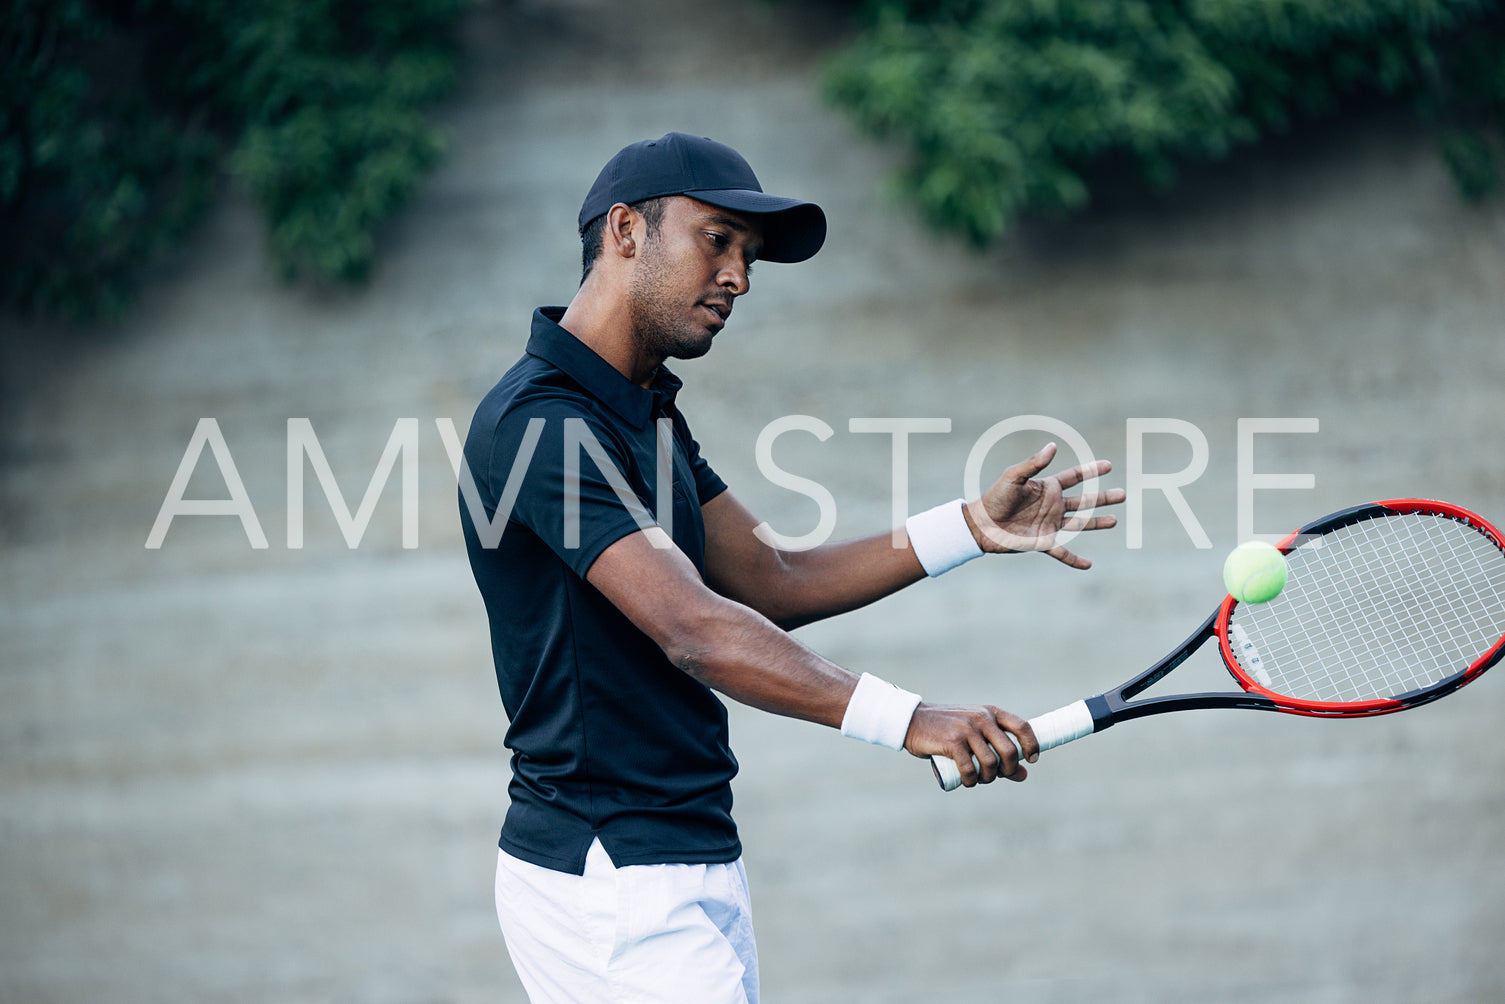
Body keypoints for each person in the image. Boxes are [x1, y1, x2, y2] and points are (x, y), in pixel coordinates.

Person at [458, 131, 1126, 1003]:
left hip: (685, 853)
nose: (738, 276)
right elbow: (695, 629)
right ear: (625, 230)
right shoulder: (539, 427)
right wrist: (910, 717)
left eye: (749, 255)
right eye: (717, 240)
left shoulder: (642, 413)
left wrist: (967, 527)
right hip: (607, 875)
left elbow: (774, 580)